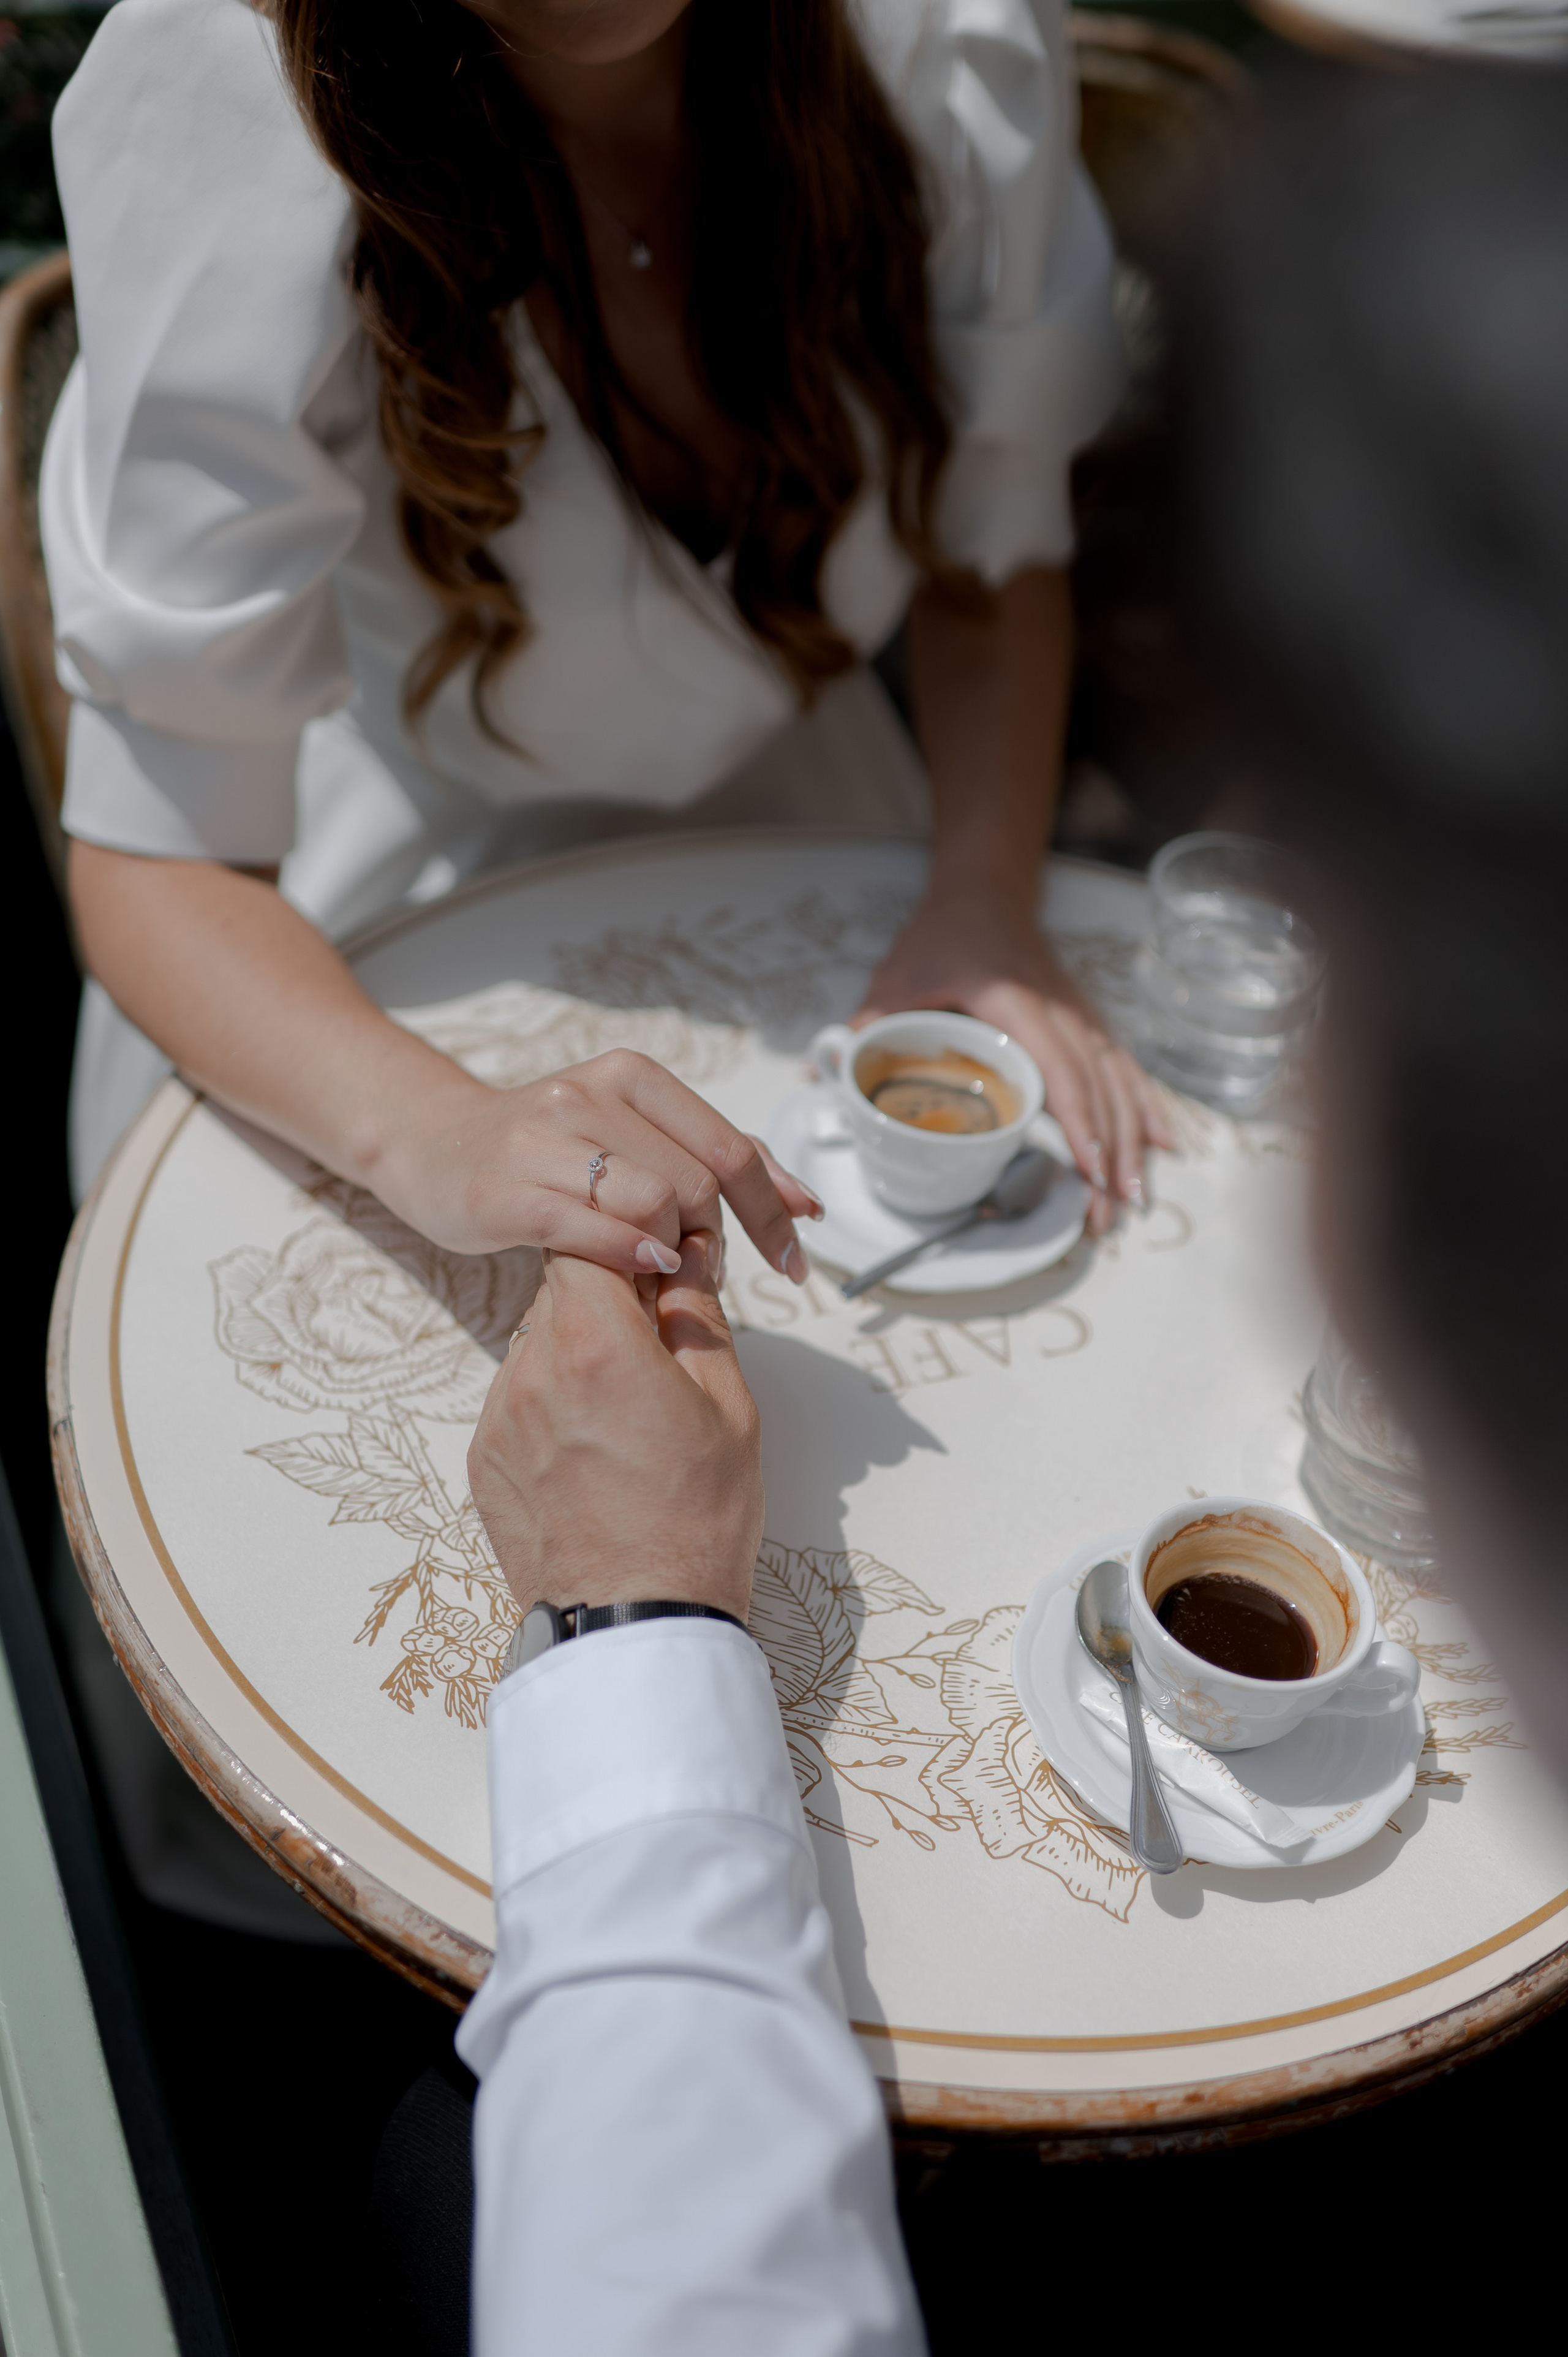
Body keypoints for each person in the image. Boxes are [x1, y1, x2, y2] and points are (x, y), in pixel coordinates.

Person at [45, 0, 1169, 1252]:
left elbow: (993, 554)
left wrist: (982, 893)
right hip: (396, 922)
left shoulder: (937, 35)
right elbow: (161, 851)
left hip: (817, 832)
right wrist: (439, 1132)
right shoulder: (236, 85)